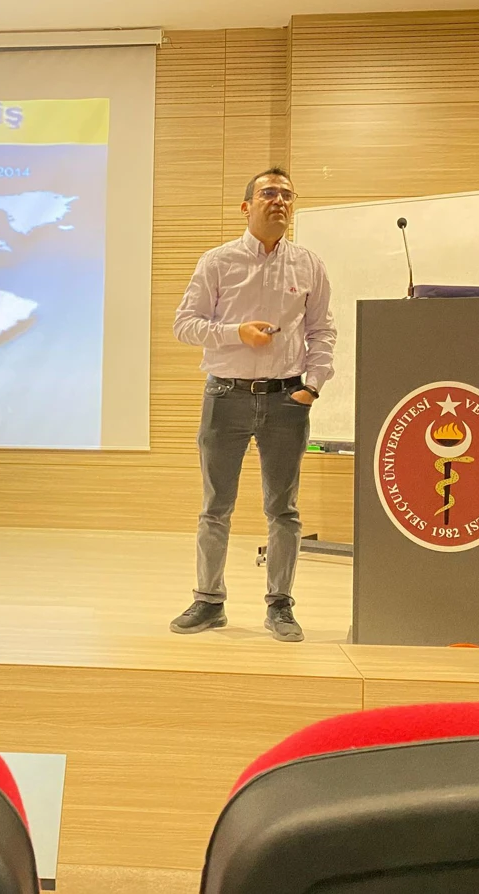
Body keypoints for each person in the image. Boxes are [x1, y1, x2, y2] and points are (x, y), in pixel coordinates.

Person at [169, 167, 335, 641]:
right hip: (226, 396)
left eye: (287, 194)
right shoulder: (217, 262)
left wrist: (312, 386)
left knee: (283, 510)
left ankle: (280, 605)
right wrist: (234, 333)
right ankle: (208, 601)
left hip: (287, 399)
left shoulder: (309, 264)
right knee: (215, 506)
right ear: (247, 206)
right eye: (268, 193)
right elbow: (185, 325)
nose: (279, 200)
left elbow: (323, 331)